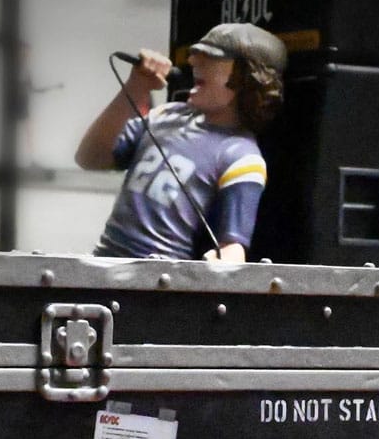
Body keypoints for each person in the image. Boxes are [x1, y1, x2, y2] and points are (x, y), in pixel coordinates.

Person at [75, 23, 287, 262]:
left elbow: (233, 247)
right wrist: (137, 86)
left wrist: (217, 265)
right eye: (196, 54)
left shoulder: (240, 155)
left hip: (158, 273)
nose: (193, 61)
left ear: (245, 77)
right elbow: (90, 158)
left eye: (211, 58)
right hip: (104, 260)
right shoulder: (165, 116)